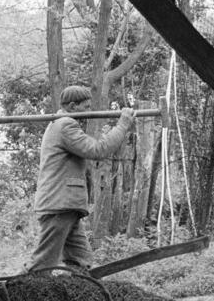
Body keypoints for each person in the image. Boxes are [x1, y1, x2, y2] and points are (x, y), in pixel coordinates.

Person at [27, 84, 135, 273]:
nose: (89, 111)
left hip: (66, 205)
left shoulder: (59, 123)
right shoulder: (64, 125)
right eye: (85, 106)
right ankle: (13, 297)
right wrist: (123, 124)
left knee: (81, 262)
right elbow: (97, 150)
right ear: (72, 106)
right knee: (42, 265)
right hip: (59, 204)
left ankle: (77, 296)